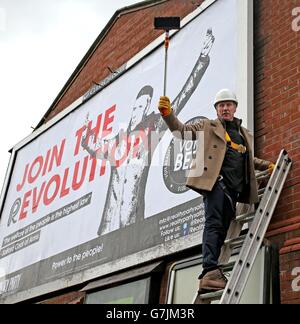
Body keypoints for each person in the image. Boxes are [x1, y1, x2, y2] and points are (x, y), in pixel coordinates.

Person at [81, 28, 215, 236]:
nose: (137, 112)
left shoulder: (152, 130)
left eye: (142, 108)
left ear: (147, 109)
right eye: (135, 107)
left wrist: (202, 59)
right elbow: (92, 146)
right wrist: (86, 127)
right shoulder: (116, 142)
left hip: (133, 224)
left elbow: (182, 97)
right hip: (106, 228)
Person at [158, 89, 275, 293]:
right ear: (217, 110)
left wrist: (267, 166)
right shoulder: (207, 126)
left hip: (235, 192)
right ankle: (210, 269)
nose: (225, 108)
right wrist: (168, 115)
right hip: (216, 185)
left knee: (221, 229)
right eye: (221, 105)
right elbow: (181, 131)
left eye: (229, 104)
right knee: (213, 224)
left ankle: (209, 274)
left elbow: (248, 159)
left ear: (235, 108)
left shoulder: (243, 134)